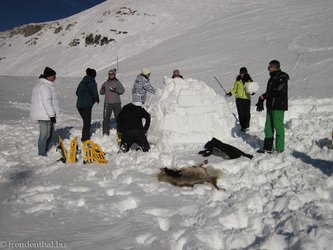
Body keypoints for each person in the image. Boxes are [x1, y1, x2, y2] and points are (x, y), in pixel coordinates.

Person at [256, 60, 289, 153]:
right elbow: (269, 92)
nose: (268, 69)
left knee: (278, 127)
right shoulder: (271, 79)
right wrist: (262, 98)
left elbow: (278, 91)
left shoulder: (282, 77)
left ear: (275, 67)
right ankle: (268, 147)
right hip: (270, 106)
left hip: (278, 106)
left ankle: (279, 148)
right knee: (268, 127)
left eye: (269, 67)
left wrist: (265, 96)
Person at [30, 67, 59, 156]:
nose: (55, 78)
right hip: (45, 115)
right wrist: (52, 115)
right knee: (44, 135)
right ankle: (42, 153)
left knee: (48, 134)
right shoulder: (44, 87)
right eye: (54, 76)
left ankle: (44, 150)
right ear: (49, 76)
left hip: (45, 114)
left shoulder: (43, 85)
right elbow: (47, 102)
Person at [226, 67, 254, 132]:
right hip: (239, 99)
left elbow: (252, 90)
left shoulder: (249, 81)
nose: (241, 74)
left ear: (246, 73)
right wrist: (230, 93)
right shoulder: (238, 81)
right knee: (241, 113)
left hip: (246, 99)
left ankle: (247, 126)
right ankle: (243, 126)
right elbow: (234, 89)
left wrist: (252, 92)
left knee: (246, 113)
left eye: (243, 73)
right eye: (240, 73)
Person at [76, 68, 99, 142]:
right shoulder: (92, 81)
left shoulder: (82, 82)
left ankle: (85, 137)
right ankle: (85, 139)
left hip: (79, 105)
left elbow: (77, 92)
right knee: (87, 122)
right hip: (86, 105)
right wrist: (96, 98)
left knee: (85, 121)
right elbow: (94, 92)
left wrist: (82, 96)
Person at [100, 69, 125, 135]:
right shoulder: (105, 83)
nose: (111, 75)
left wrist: (115, 90)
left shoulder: (118, 82)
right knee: (106, 118)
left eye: (112, 74)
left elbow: (122, 91)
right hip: (107, 103)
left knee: (119, 118)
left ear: (114, 75)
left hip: (117, 103)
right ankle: (105, 133)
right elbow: (101, 93)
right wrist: (102, 88)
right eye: (109, 74)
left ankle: (120, 132)